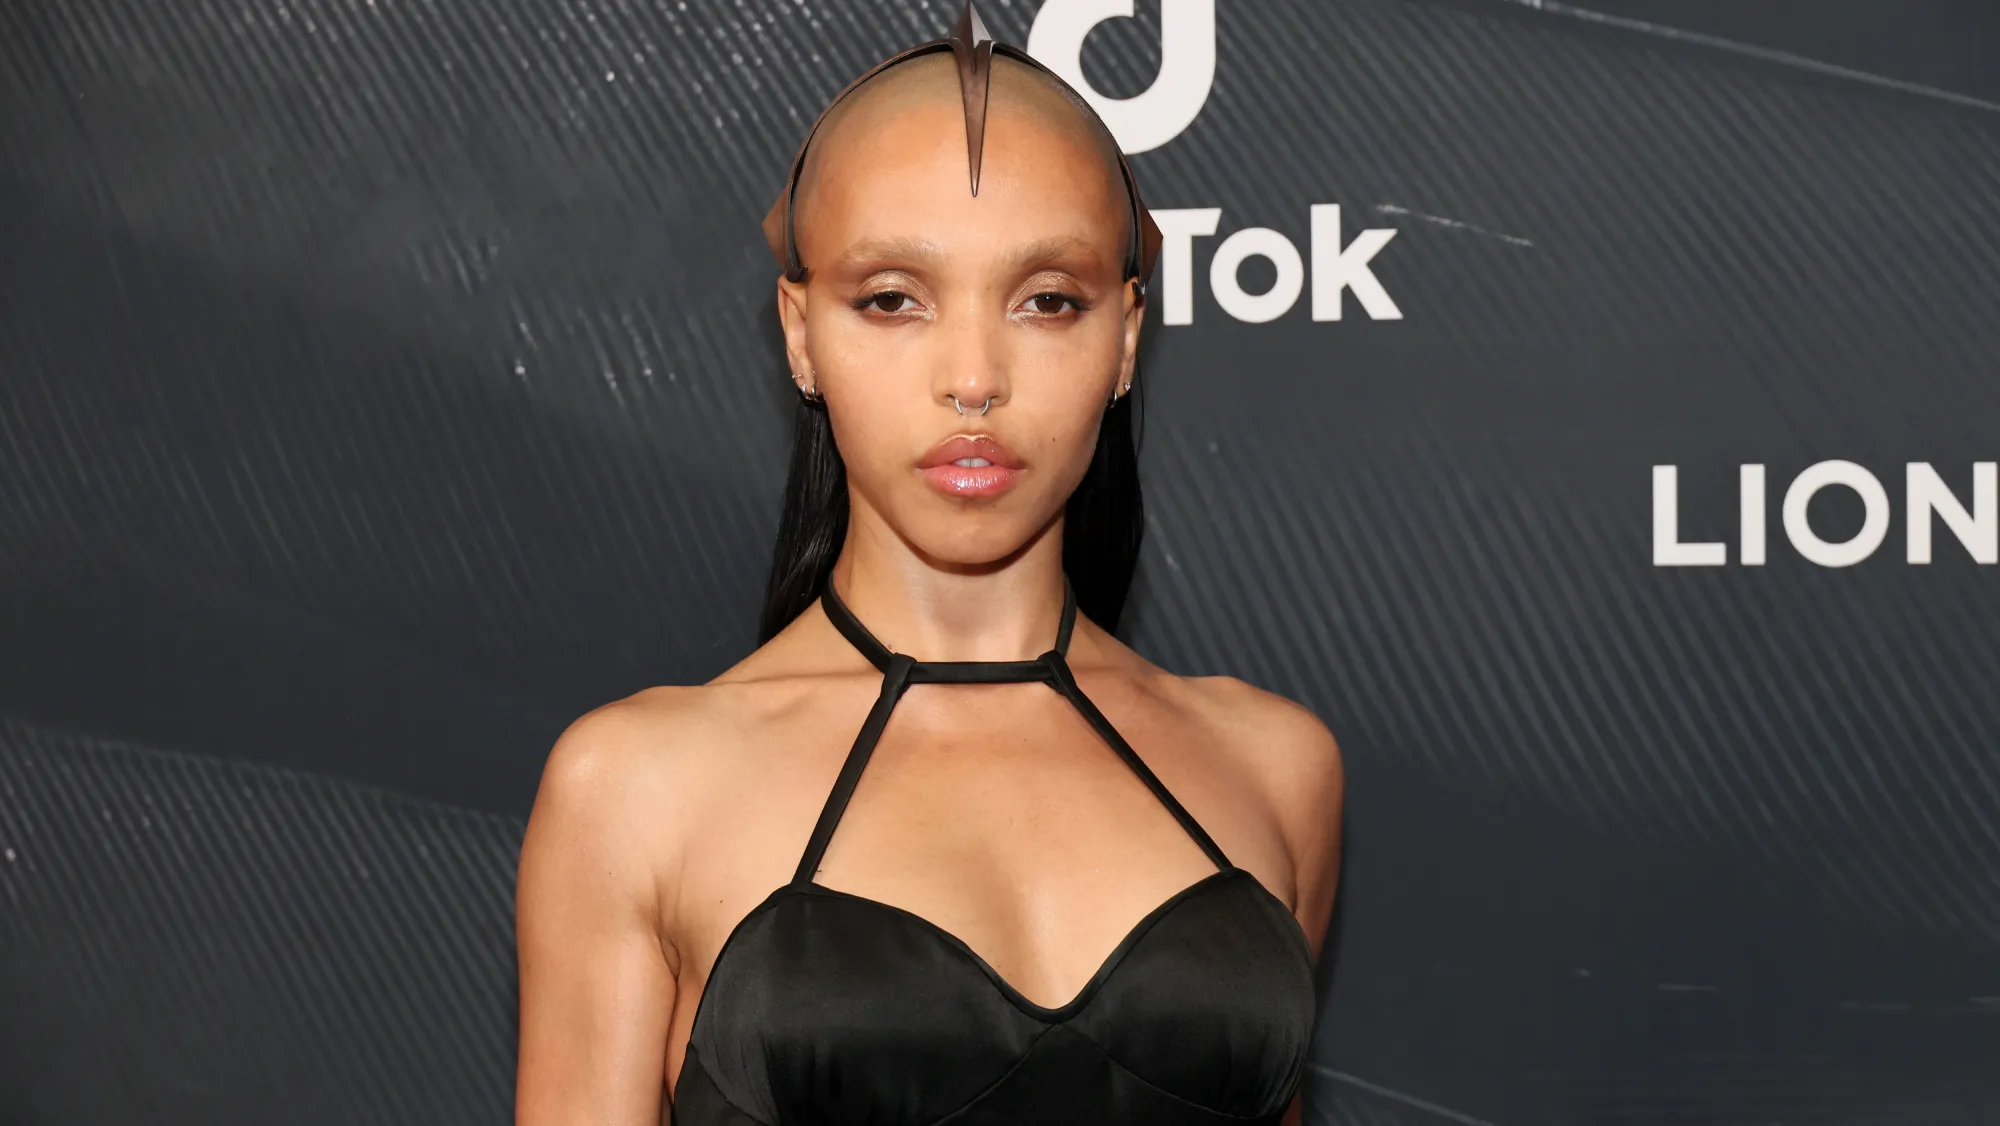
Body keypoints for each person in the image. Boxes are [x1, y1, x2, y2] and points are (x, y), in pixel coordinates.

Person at [514, 6, 1344, 1123]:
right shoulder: (634, 789)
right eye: (892, 300)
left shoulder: (1273, 769)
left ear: (1125, 338)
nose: (973, 377)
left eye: (1047, 301)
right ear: (800, 334)